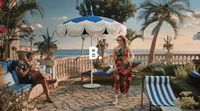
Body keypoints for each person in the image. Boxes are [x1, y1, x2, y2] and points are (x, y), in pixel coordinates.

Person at [112, 35, 134, 104]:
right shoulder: (115, 48)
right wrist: (114, 66)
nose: (118, 41)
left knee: (125, 81)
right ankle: (115, 98)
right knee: (116, 80)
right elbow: (113, 59)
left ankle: (123, 91)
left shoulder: (127, 48)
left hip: (126, 67)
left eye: (120, 40)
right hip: (118, 67)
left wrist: (130, 60)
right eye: (117, 40)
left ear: (123, 40)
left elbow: (132, 55)